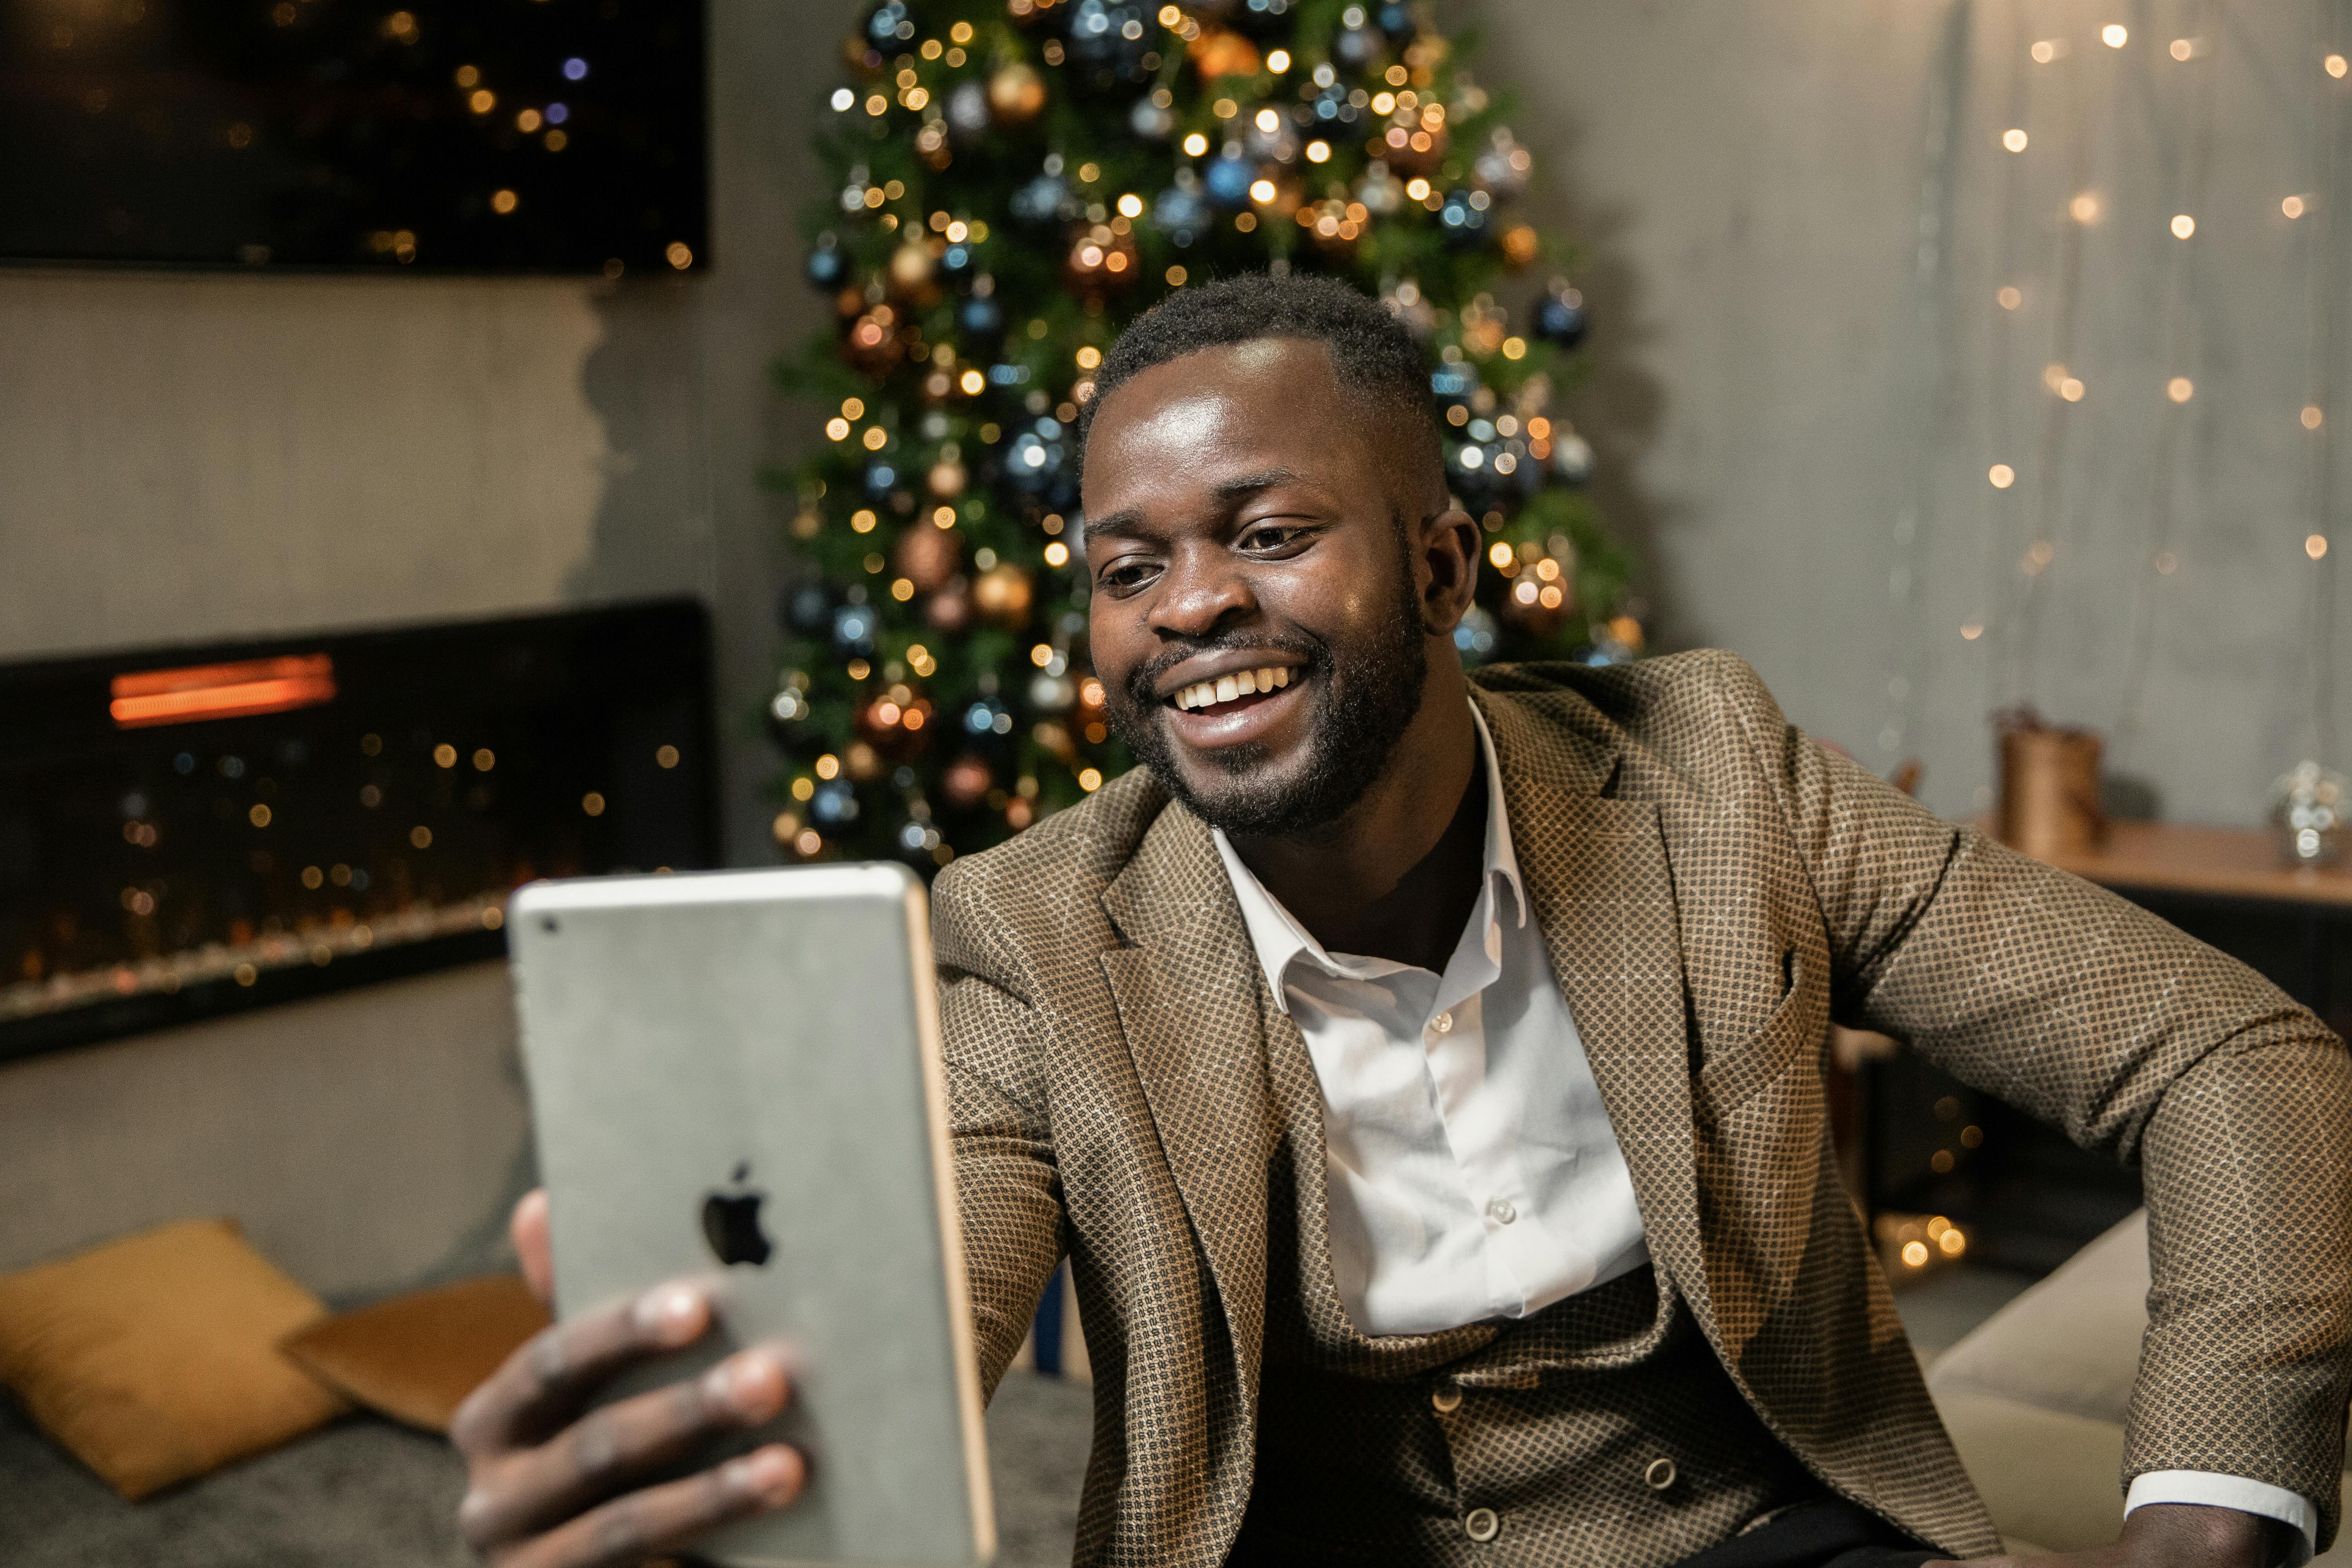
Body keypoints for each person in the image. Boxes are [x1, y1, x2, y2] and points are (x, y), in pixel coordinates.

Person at [452, 274, 2352, 1568]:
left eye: (1266, 533)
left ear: (1440, 562)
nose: (1186, 605)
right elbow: (924, 1291)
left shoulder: (1714, 779)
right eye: (1129, 566)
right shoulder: (1030, 935)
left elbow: (2227, 1051)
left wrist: (2207, 1505)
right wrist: (723, 1459)